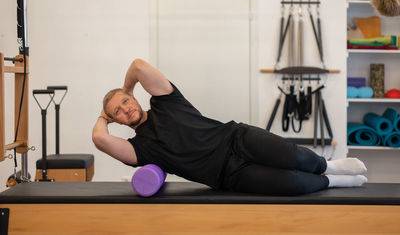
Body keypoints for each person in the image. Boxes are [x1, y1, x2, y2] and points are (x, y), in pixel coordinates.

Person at [92, 58, 367, 195]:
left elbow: (138, 66)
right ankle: (333, 181)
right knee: (292, 183)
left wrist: (124, 88)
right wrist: (103, 117)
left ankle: (328, 166)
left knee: (294, 156)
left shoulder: (165, 102)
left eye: (126, 101)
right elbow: (100, 140)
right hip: (228, 175)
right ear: (116, 120)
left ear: (134, 97)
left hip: (236, 138)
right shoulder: (140, 149)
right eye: (118, 111)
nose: (126, 108)